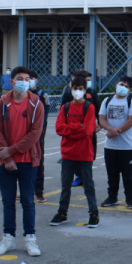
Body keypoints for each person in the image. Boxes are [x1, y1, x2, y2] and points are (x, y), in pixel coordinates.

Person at [0, 67, 44, 257]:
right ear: (11, 82)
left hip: (27, 161)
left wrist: (11, 152)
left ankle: (30, 239)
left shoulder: (36, 103)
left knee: (28, 201)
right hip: (6, 162)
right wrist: (7, 158)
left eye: (27, 79)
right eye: (20, 79)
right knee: (8, 202)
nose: (24, 82)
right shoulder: (2, 104)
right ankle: (8, 238)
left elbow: (34, 135)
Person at [51, 76, 99, 227]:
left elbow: (87, 131)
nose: (77, 92)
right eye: (75, 89)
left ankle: (94, 214)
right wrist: (77, 126)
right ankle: (62, 212)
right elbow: (59, 128)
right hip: (68, 153)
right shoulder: (66, 108)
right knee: (65, 185)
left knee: (88, 186)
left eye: (81, 89)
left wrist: (70, 130)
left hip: (84, 153)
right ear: (70, 90)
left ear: (85, 91)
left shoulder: (89, 107)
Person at [99, 75, 132, 210]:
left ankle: (130, 199)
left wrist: (117, 132)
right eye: (122, 84)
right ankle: (112, 197)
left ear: (129, 90)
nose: (123, 87)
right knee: (112, 173)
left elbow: (131, 120)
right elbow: (102, 119)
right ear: (116, 84)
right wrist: (111, 130)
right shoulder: (107, 100)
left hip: (127, 146)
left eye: (127, 86)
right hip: (110, 145)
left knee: (128, 175)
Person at [61, 69, 101, 167]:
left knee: (89, 153)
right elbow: (63, 113)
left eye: (89, 80)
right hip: (72, 130)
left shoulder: (92, 92)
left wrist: (99, 124)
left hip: (88, 130)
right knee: (73, 153)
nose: (89, 82)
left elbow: (98, 109)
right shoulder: (69, 93)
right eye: (87, 80)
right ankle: (77, 173)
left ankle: (84, 175)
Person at [28, 71, 52, 202]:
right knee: (25, 163)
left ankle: (39, 191)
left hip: (38, 135)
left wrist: (38, 130)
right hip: (24, 136)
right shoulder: (22, 95)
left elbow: (45, 114)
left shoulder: (42, 95)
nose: (29, 81)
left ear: (36, 80)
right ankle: (27, 190)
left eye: (31, 78)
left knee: (38, 162)